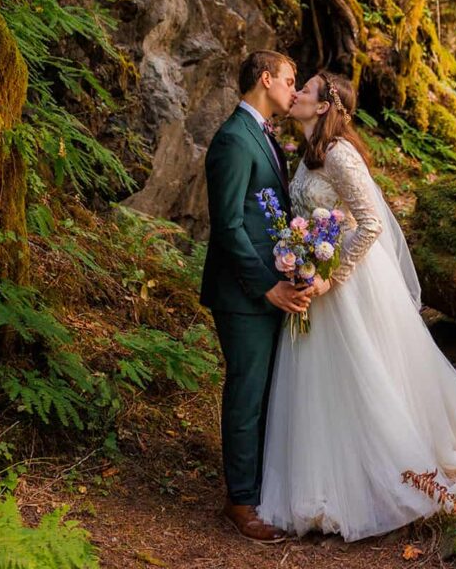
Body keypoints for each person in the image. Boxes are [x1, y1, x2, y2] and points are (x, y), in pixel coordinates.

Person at [258, 70, 456, 542]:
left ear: (325, 106)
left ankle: (384, 476)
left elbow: (370, 223)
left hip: (349, 285)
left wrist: (333, 276)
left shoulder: (339, 154)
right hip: (317, 281)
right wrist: (301, 254)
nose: (297, 95)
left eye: (305, 90)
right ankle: (329, 476)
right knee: (325, 381)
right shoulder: (308, 156)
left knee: (366, 374)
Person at [200, 50, 312, 543]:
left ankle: (260, 488)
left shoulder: (265, 138)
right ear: (265, 80)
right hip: (244, 294)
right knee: (246, 395)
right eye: (289, 81)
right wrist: (268, 286)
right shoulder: (232, 140)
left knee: (267, 392)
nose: (294, 90)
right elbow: (227, 227)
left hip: (273, 288)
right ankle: (240, 502)